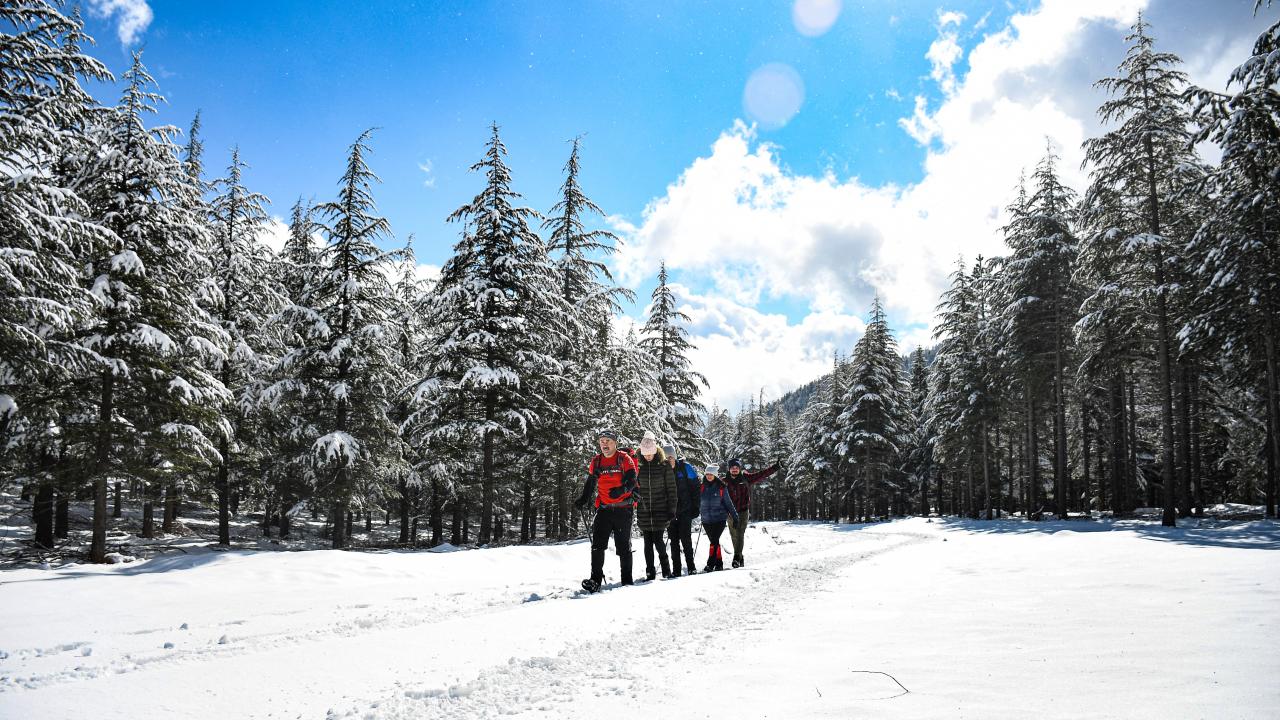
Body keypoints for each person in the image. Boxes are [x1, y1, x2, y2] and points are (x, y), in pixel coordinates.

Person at [574, 430, 639, 593]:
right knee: (597, 545)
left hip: (623, 509)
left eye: (608, 441)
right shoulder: (596, 461)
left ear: (615, 443)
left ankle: (627, 581)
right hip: (603, 509)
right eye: (602, 441)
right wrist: (583, 499)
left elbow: (632, 480)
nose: (604, 444)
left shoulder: (624, 459)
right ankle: (595, 580)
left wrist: (621, 490)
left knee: (623, 547)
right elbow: (590, 483)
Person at [634, 431, 677, 580]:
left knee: (658, 541)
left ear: (655, 451)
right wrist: (635, 495)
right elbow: (634, 486)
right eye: (645, 454)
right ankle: (650, 572)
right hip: (644, 510)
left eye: (650, 454)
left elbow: (672, 489)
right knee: (647, 544)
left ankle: (666, 570)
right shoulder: (639, 467)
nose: (647, 457)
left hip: (660, 510)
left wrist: (672, 509)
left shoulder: (664, 466)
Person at [724, 458, 779, 568]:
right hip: (730, 513)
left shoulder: (745, 478)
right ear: (729, 469)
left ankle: (736, 558)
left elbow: (761, 475)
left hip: (743, 511)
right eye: (732, 468)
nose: (734, 470)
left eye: (736, 468)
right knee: (734, 535)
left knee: (740, 533)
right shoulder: (724, 481)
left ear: (739, 469)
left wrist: (775, 467)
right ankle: (740, 556)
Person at [665, 444, 700, 576]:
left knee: (686, 539)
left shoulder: (686, 468)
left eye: (671, 457)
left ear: (674, 456)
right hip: (671, 512)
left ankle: (691, 567)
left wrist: (696, 507)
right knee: (674, 541)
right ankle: (676, 570)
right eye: (666, 458)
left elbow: (696, 488)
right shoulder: (663, 471)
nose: (669, 460)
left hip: (685, 510)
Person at [698, 465, 738, 572]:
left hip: (719, 519)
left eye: (711, 474)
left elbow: (728, 503)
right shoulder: (701, 487)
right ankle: (719, 564)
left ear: (715, 475)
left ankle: (710, 564)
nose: (709, 476)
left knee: (714, 541)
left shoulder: (721, 488)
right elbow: (698, 502)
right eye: (707, 474)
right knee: (714, 542)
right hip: (706, 520)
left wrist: (735, 517)